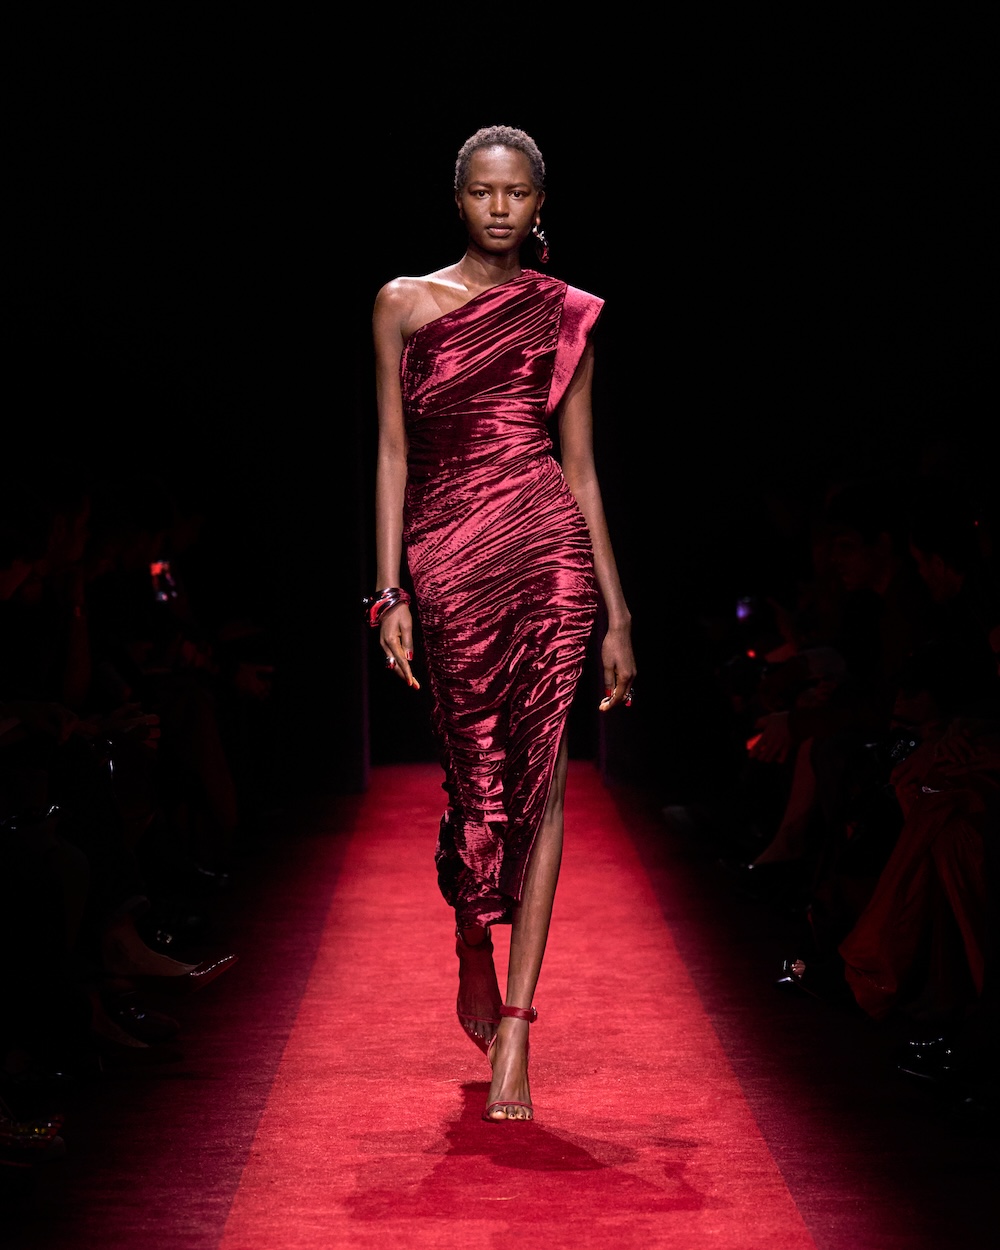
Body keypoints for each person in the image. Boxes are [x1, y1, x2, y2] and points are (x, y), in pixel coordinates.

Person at [369, 125, 635, 1122]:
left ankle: (518, 1025)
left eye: (515, 193)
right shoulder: (402, 302)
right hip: (445, 556)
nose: (497, 208)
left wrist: (616, 613)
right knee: (474, 778)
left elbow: (583, 470)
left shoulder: (566, 313)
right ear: (458, 198)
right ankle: (472, 933)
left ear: (538, 203)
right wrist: (387, 590)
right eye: (482, 191)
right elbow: (391, 451)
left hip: (546, 551)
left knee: (545, 778)